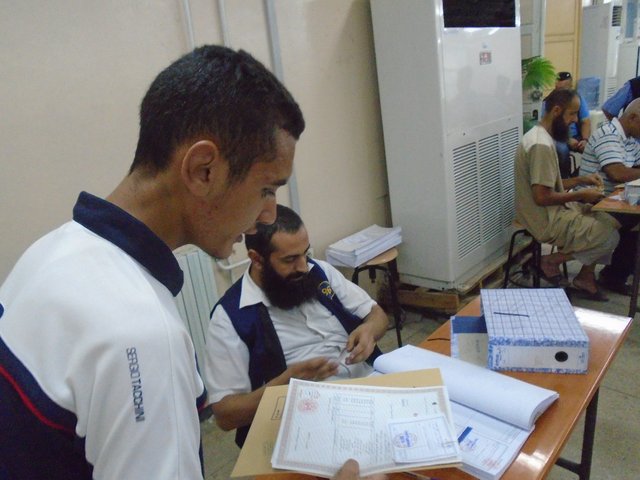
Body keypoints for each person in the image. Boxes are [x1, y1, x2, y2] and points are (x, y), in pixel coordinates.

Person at [0, 45, 307, 479]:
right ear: (203, 170)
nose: (270, 215)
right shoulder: (144, 337)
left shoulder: (50, 250)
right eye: (267, 189)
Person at [203, 204, 389, 447]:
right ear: (257, 259)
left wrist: (369, 331)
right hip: (307, 421)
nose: (303, 267)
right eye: (290, 259)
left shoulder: (318, 271)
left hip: (369, 389)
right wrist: (287, 383)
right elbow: (225, 415)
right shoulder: (230, 317)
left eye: (305, 253)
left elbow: (377, 315)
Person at [515, 88, 620, 301]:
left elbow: (547, 185)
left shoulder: (542, 137)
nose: (575, 121)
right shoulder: (540, 145)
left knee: (610, 220)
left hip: (551, 210)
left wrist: (582, 180)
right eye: (572, 114)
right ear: (556, 111)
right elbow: (541, 197)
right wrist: (581, 195)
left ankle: (583, 278)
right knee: (609, 236)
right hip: (544, 219)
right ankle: (550, 261)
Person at [579, 98, 640, 294]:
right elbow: (617, 173)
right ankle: (603, 275)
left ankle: (614, 275)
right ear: (633, 118)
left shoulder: (629, 139)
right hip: (592, 201)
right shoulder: (608, 135)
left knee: (634, 220)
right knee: (632, 221)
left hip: (613, 200)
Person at [541, 72, 591, 177]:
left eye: (564, 89)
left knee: (593, 150)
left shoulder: (577, 99)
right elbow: (548, 128)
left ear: (570, 87)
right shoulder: (549, 102)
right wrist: (567, 139)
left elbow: (585, 121)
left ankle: (581, 177)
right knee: (562, 150)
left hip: (577, 137)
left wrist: (585, 140)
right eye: (558, 89)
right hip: (558, 136)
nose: (575, 119)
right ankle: (564, 180)